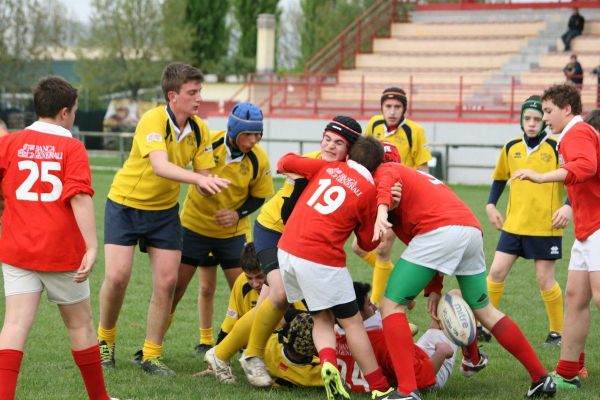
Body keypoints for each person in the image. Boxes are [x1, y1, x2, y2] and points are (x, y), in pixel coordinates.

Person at [373, 161, 556, 399]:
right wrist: (434, 288)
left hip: (441, 232)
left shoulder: (385, 172)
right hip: (470, 229)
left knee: (391, 305)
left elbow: (417, 233)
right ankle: (541, 378)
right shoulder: (414, 179)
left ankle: (407, 391)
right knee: (484, 309)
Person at [203, 117, 362, 388]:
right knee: (279, 293)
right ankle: (251, 356)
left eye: (339, 143)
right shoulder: (313, 162)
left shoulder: (348, 175)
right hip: (275, 231)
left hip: (298, 241)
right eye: (327, 139)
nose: (329, 146)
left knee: (271, 305)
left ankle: (220, 354)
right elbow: (288, 210)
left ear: (351, 150)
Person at [97, 63, 229, 376]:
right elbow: (160, 165)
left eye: (200, 91)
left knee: (168, 282)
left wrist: (220, 193)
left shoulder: (200, 129)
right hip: (125, 206)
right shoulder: (152, 120)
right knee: (117, 277)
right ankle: (104, 340)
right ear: (173, 95)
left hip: (164, 213)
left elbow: (206, 175)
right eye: (192, 92)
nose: (199, 98)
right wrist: (198, 180)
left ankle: (151, 355)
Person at [0, 76, 113, 399]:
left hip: (18, 248)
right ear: (65, 112)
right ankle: (99, 398)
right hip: (60, 253)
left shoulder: (8, 143)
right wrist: (91, 247)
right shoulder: (71, 146)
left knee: (15, 325)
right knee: (79, 325)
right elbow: (79, 196)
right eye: (75, 111)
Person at [277, 136, 394, 400]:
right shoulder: (369, 190)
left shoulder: (328, 167)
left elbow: (284, 162)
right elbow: (366, 241)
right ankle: (379, 387)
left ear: (349, 154)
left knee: (322, 317)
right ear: (377, 167)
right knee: (352, 323)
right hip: (318, 257)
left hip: (287, 249)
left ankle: (328, 363)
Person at [513, 84, 600, 390]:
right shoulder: (572, 135)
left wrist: (540, 176)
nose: (544, 118)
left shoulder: (578, 133)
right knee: (576, 298)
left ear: (567, 109)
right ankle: (568, 372)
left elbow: (587, 167)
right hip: (588, 231)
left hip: (598, 228)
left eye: (548, 111)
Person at [169, 102, 273, 355]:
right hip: (193, 227)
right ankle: (152, 349)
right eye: (247, 135)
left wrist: (237, 213)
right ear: (234, 130)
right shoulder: (208, 143)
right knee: (175, 288)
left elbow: (260, 196)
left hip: (232, 235)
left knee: (250, 288)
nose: (252, 140)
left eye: (257, 135)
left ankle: (252, 349)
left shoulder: (259, 159)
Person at [484, 95, 571, 346]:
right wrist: (491, 205)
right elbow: (500, 178)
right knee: (496, 272)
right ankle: (485, 326)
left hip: (546, 226)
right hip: (514, 224)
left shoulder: (557, 147)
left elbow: (575, 180)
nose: (532, 123)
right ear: (521, 120)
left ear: (544, 120)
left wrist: (567, 206)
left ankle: (557, 332)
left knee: (545, 280)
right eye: (527, 118)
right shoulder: (511, 146)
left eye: (536, 118)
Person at [355, 87, 433, 305]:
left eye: (397, 107)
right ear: (381, 107)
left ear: (404, 109)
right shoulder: (374, 125)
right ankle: (396, 277)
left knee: (381, 248)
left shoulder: (415, 131)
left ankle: (377, 303)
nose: (392, 111)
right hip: (375, 194)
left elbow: (423, 168)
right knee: (358, 247)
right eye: (388, 106)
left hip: (399, 197)